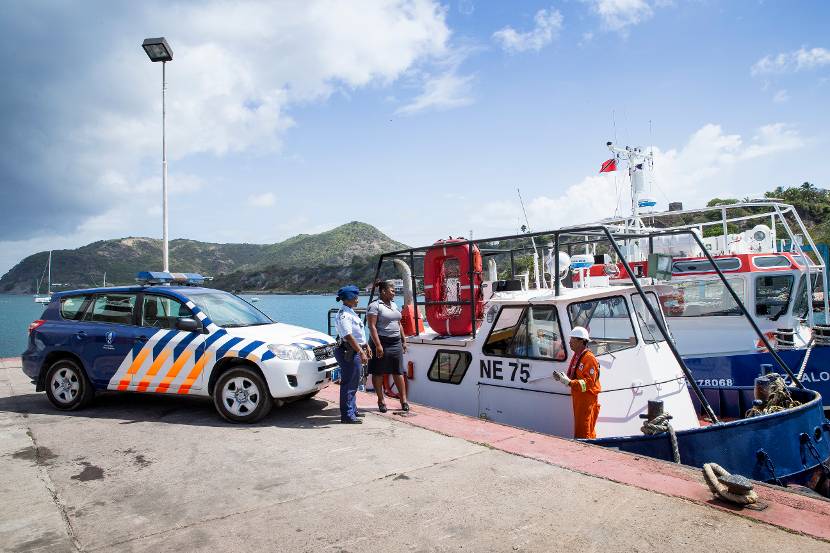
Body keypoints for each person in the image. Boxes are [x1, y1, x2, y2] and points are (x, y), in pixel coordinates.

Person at [366, 280, 409, 412]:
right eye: (392, 291)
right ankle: (381, 401)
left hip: (395, 342)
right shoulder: (375, 306)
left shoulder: (394, 305)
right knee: (378, 371)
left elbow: (398, 323)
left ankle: (404, 401)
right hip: (381, 342)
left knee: (398, 371)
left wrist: (403, 339)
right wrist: (378, 345)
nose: (394, 293)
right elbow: (372, 326)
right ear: (383, 291)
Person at [552, 326, 601, 439]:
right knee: (583, 428)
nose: (569, 342)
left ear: (581, 341)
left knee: (583, 430)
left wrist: (569, 383)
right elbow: (574, 376)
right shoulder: (577, 356)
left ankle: (584, 450)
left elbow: (588, 383)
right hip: (579, 397)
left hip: (586, 399)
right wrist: (562, 378)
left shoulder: (589, 359)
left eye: (572, 339)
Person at [333, 285, 371, 424]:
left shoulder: (350, 312)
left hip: (354, 350)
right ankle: (347, 416)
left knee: (353, 383)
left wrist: (365, 345)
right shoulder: (344, 315)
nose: (357, 300)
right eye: (355, 297)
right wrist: (361, 351)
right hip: (349, 352)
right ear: (348, 299)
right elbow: (348, 336)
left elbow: (358, 333)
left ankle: (353, 410)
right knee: (349, 384)